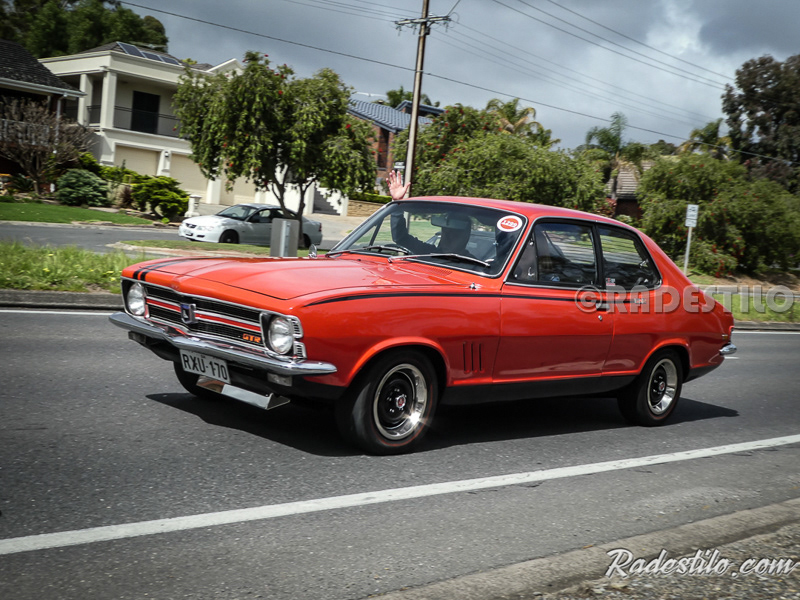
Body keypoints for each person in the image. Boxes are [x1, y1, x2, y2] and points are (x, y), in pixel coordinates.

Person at [385, 170, 475, 257]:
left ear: (465, 237)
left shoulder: (474, 265)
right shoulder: (430, 253)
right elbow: (401, 238)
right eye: (445, 232)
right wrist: (397, 202)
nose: (447, 238)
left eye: (454, 234)